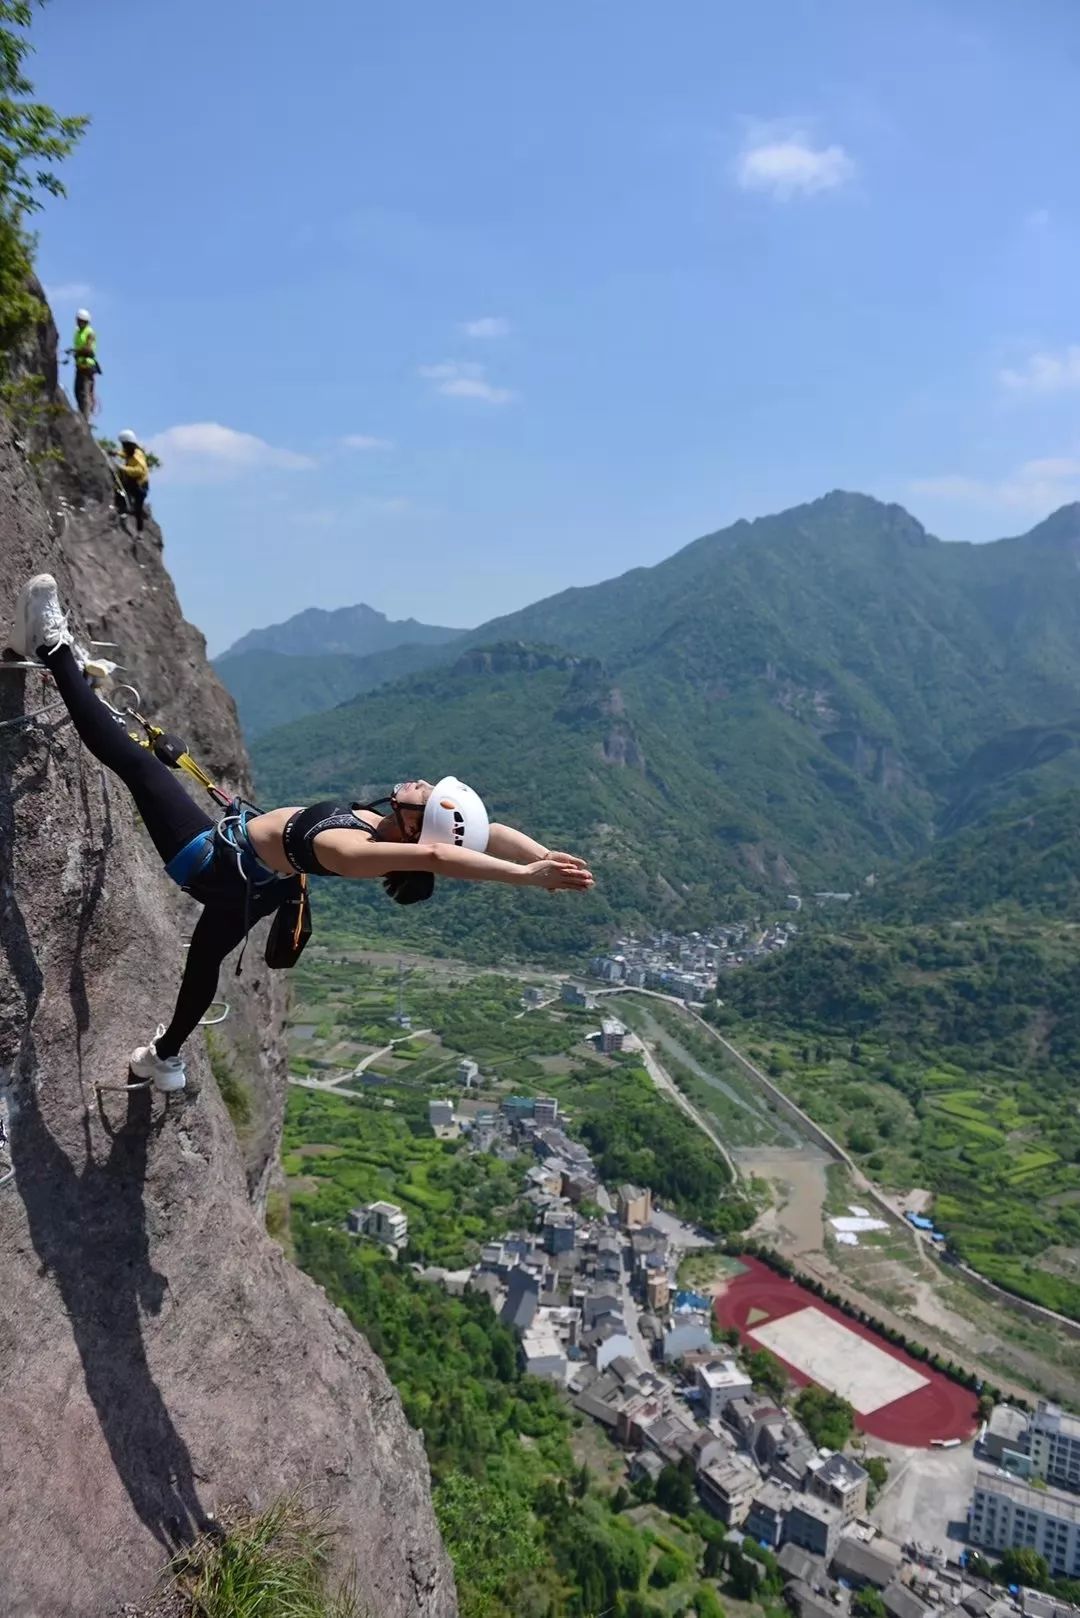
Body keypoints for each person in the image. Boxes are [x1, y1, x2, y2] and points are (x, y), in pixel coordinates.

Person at [8, 574, 595, 1096]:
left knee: (136, 765)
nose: (419, 780)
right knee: (203, 964)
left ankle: (52, 649)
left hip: (213, 862)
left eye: (426, 791)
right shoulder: (386, 823)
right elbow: (482, 837)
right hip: (255, 883)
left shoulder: (355, 851)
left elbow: (446, 851)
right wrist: (543, 858)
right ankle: (163, 1059)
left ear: (419, 823)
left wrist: (523, 878)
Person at [114, 429, 150, 533]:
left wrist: (123, 468)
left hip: (140, 486)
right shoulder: (132, 451)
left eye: (124, 444)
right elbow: (126, 454)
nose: (123, 446)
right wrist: (116, 453)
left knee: (138, 509)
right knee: (121, 492)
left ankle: (140, 533)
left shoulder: (137, 455)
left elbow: (139, 470)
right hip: (133, 482)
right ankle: (123, 511)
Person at [67, 308, 99, 419]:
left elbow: (89, 350)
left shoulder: (90, 333)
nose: (79, 322)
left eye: (81, 321)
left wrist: (76, 351)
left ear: (86, 322)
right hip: (79, 367)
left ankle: (85, 418)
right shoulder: (77, 332)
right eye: (78, 320)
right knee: (77, 391)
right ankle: (81, 414)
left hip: (88, 367)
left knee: (85, 393)